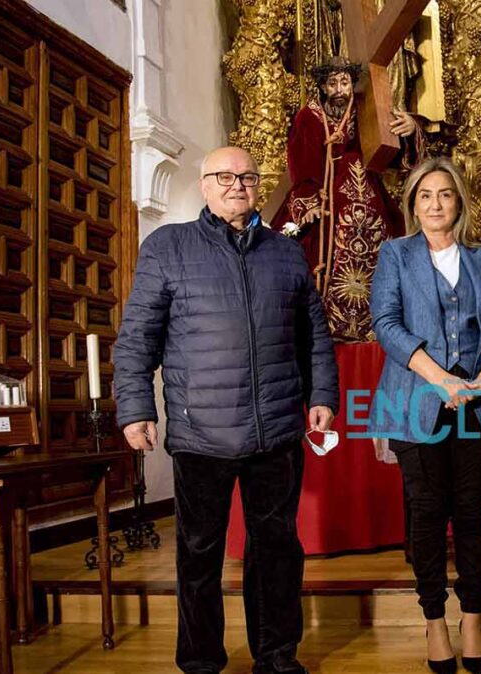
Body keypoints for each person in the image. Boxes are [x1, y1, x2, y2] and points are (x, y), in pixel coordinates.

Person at [113, 147, 339, 674]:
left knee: (277, 551)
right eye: (224, 176)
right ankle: (199, 662)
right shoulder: (168, 247)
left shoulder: (286, 254)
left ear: (258, 186)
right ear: (205, 185)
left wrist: (323, 395)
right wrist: (135, 408)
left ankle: (277, 656)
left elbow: (316, 338)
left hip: (278, 431)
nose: (236, 184)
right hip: (201, 435)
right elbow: (137, 338)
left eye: (246, 176)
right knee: (198, 555)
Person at [369, 157, 481, 674]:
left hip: (479, 403)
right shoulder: (395, 255)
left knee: (474, 514)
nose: (435, 203)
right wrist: (440, 377)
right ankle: (434, 620)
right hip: (416, 398)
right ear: (413, 205)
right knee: (428, 514)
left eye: (445, 194)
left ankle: (472, 619)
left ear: (459, 202)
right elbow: (385, 323)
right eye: (425, 195)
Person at [273, 56, 423, 342]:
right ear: (323, 87)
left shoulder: (366, 111)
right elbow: (301, 162)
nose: (340, 90)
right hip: (326, 191)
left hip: (369, 190)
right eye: (333, 84)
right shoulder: (310, 115)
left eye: (344, 82)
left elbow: (392, 152)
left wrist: (409, 130)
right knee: (311, 247)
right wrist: (309, 201)